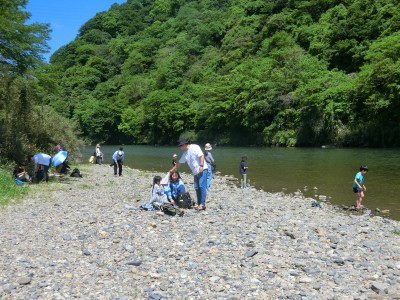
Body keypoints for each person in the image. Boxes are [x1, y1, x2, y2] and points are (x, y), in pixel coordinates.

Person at [169, 139, 208, 211]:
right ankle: (199, 204)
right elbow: (179, 163)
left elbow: (201, 156)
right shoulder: (185, 153)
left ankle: (202, 204)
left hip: (202, 169)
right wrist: (172, 170)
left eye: (180, 146)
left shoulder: (195, 147)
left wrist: (201, 166)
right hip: (195, 172)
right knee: (197, 187)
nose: (180, 148)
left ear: (184, 145)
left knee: (202, 186)